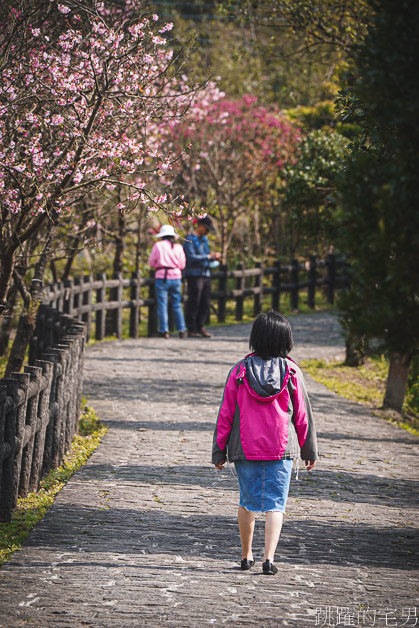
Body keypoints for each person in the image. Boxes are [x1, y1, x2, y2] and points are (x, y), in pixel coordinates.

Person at [212, 311, 318, 575]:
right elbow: (302, 414)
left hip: (245, 448)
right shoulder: (292, 371)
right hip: (280, 449)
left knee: (247, 501)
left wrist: (219, 451)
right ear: (286, 339)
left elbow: (226, 413)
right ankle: (268, 558)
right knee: (275, 504)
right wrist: (308, 449)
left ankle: (246, 555)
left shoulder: (239, 371)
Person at [183, 216, 221, 338]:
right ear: (200, 226)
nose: (207, 232)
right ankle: (191, 328)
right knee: (194, 301)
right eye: (206, 229)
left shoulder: (204, 240)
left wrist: (214, 257)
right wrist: (208, 257)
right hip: (194, 275)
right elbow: (191, 257)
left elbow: (207, 255)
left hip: (206, 273)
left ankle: (200, 326)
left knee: (205, 301)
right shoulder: (189, 239)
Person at [148, 224, 187, 339]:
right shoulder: (178, 247)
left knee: (162, 304)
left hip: (162, 277)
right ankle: (182, 329)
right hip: (176, 277)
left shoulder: (158, 245)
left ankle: (164, 330)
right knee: (176, 304)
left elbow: (152, 262)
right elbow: (182, 264)